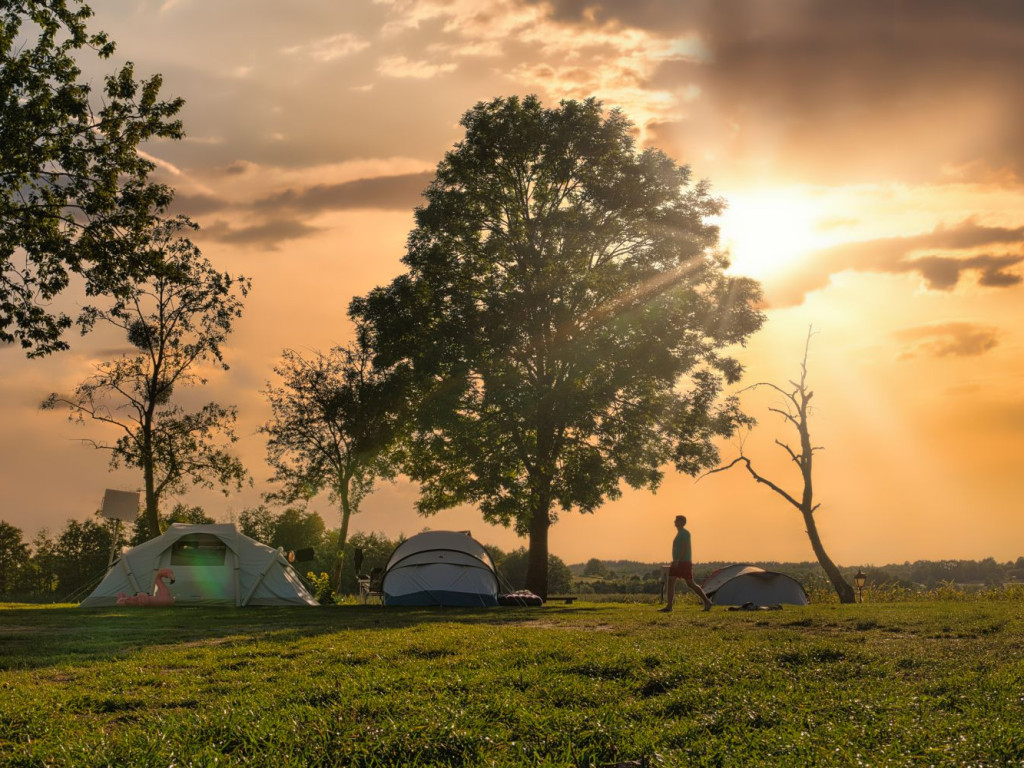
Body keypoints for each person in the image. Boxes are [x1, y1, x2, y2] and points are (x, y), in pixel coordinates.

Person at [659, 514, 713, 612]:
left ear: (682, 522)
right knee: (671, 581)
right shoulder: (679, 533)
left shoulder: (685, 533)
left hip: (683, 562)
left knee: (690, 583)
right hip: (677, 562)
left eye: (676, 520)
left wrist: (678, 560)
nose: (674, 522)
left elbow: (685, 547)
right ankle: (669, 606)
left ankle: (707, 602)